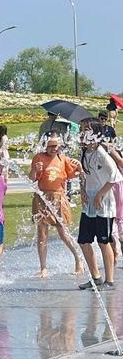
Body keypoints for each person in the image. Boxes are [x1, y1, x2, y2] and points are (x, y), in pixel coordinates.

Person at [29, 133, 83, 279]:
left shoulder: (63, 159)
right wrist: (35, 169)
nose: (54, 149)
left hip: (59, 198)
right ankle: (43, 268)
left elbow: (74, 174)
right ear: (45, 145)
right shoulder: (39, 158)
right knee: (42, 234)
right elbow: (32, 178)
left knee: (63, 233)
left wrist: (79, 166)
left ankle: (78, 260)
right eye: (51, 146)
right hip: (42, 198)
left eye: (56, 146)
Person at [77, 120, 120, 290]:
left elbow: (115, 177)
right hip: (89, 204)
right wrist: (83, 190)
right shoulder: (84, 152)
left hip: (104, 204)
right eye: (81, 130)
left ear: (96, 133)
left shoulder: (101, 153)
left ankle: (109, 280)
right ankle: (95, 277)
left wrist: (100, 195)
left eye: (86, 130)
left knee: (103, 241)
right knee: (83, 241)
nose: (82, 134)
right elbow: (86, 175)